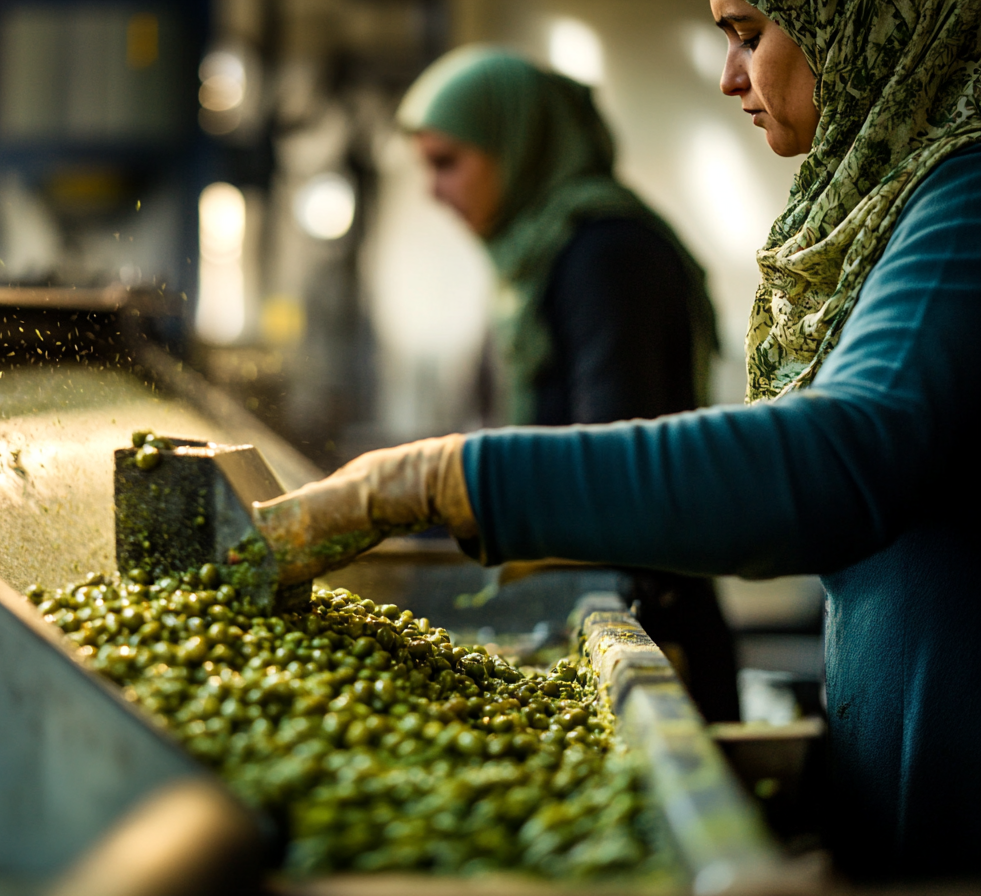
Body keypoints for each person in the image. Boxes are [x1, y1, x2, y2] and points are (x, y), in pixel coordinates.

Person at [255, 0, 981, 880]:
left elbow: (847, 456)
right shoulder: (905, 203)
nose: (730, 76)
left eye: (753, 32)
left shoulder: (966, 193)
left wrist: (442, 480)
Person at [395, 48, 738, 721]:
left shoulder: (606, 255)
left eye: (447, 163)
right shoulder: (532, 260)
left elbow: (609, 463)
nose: (433, 191)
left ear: (517, 145)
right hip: (589, 608)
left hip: (648, 631)